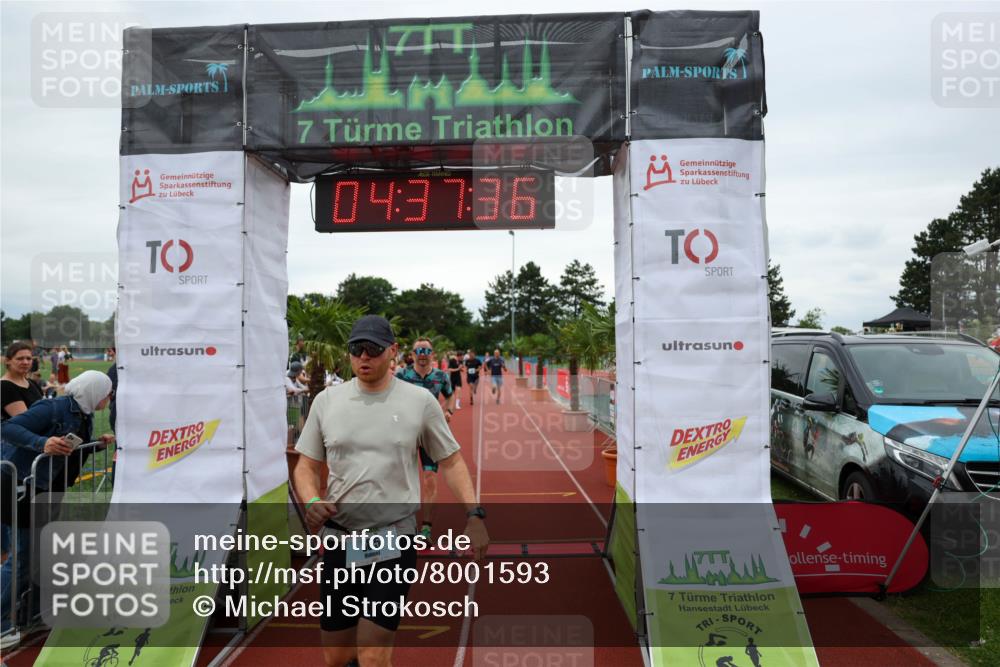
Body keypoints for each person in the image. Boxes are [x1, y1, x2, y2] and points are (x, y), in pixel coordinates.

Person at [293, 315, 487, 667]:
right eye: (356, 349)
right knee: (337, 657)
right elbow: (305, 466)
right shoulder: (327, 401)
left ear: (393, 351)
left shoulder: (419, 401)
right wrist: (312, 500)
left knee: (372, 652)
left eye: (373, 348)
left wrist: (474, 515)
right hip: (340, 539)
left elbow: (452, 462)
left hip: (393, 539)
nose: (363, 356)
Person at [1, 370, 115, 649]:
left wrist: (96, 445)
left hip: (48, 489)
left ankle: (31, 614)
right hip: (24, 487)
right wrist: (42, 443)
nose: (109, 398)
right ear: (94, 391)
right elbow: (8, 428)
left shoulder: (83, 413)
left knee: (41, 553)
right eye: (108, 393)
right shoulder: (53, 407)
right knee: (22, 557)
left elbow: (70, 449)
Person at [395, 338, 455, 540]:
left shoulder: (441, 377)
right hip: (405, 435)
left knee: (429, 478)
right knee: (401, 478)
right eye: (419, 350)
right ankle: (402, 523)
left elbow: (450, 395)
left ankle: (426, 528)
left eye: (426, 351)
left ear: (432, 354)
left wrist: (449, 412)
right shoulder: (401, 375)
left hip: (430, 434)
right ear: (412, 354)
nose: (422, 354)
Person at [2, 342, 43, 421]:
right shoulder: (5, 386)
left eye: (29, 358)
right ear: (7, 361)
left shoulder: (32, 382)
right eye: (20, 359)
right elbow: (28, 421)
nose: (25, 362)